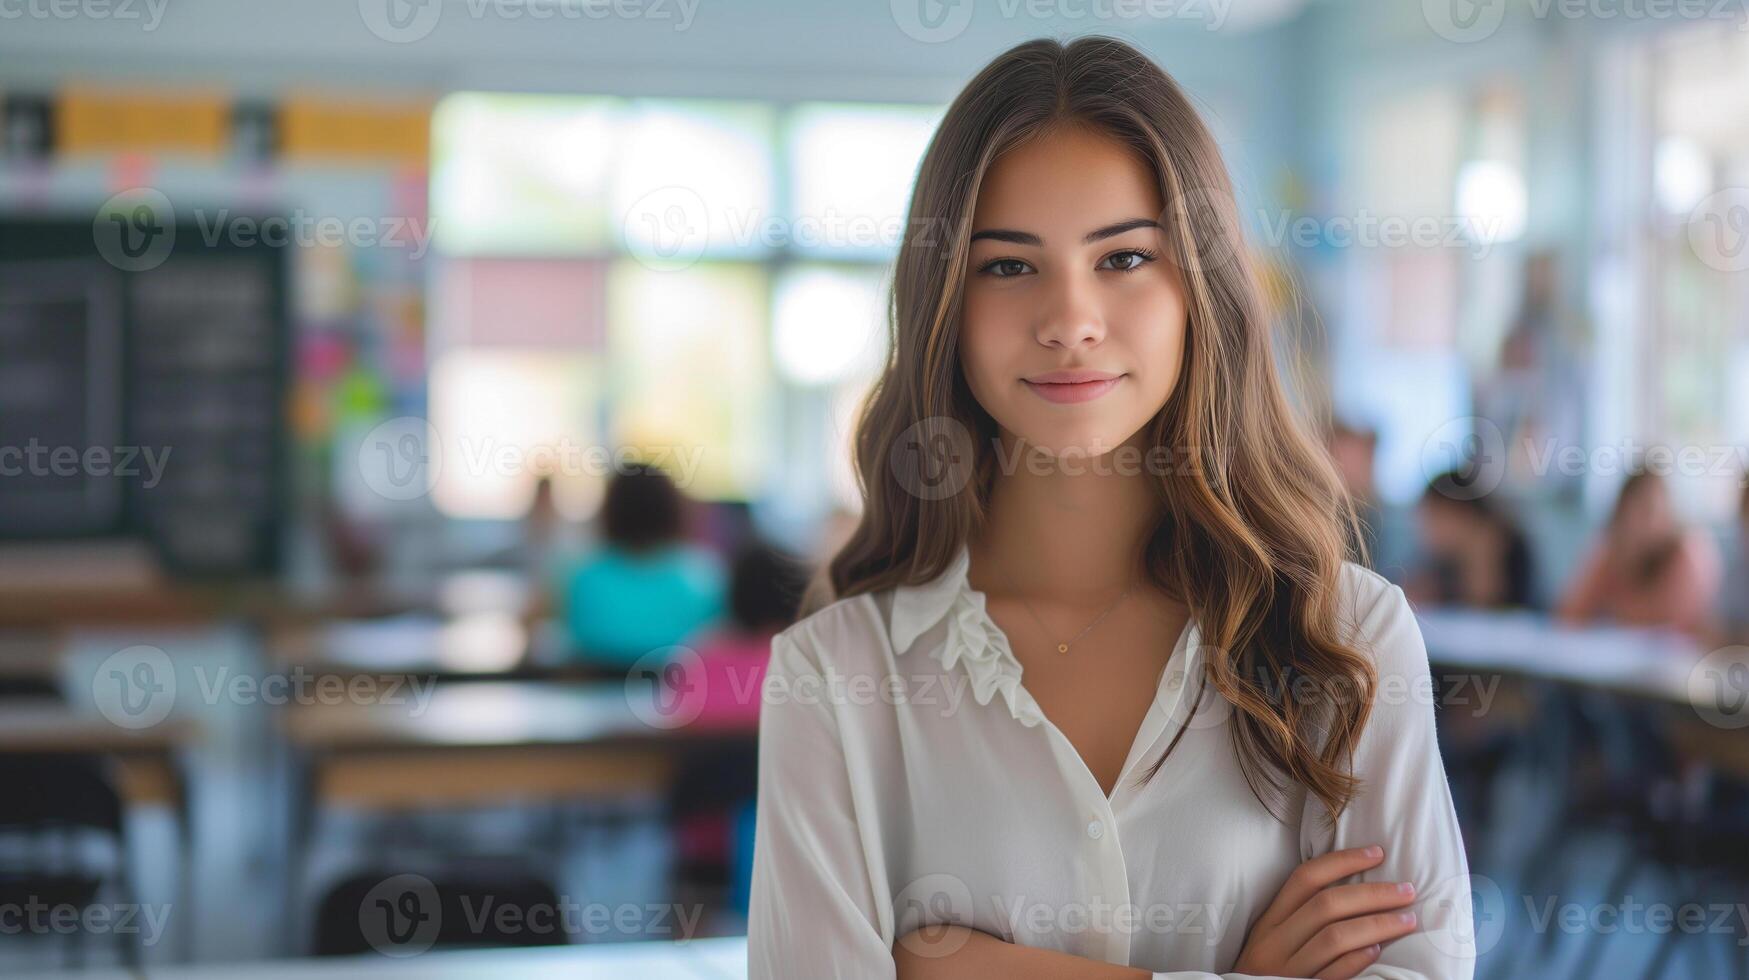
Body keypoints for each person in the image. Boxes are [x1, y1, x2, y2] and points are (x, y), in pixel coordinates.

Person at [749, 37, 1472, 980]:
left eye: (1124, 256)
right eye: (1008, 267)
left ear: (1196, 293)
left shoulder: (1349, 638)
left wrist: (968, 966)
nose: (1070, 319)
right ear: (945, 304)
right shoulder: (832, 679)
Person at [559, 462, 726, 670]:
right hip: (682, 690)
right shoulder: (703, 575)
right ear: (673, 509)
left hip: (596, 692)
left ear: (610, 510)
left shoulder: (582, 576)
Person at [1556, 467, 1721, 636]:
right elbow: (1570, 614)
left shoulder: (1687, 553)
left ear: (1668, 515)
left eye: (1649, 511)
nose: (1638, 522)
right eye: (1632, 511)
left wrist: (1616, 611)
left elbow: (1674, 626)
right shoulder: (1613, 550)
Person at [1404, 470, 1537, 610]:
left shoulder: (1501, 542)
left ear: (1459, 512)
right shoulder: (1442, 557)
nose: (1427, 529)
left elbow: (1484, 605)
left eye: (1434, 516)